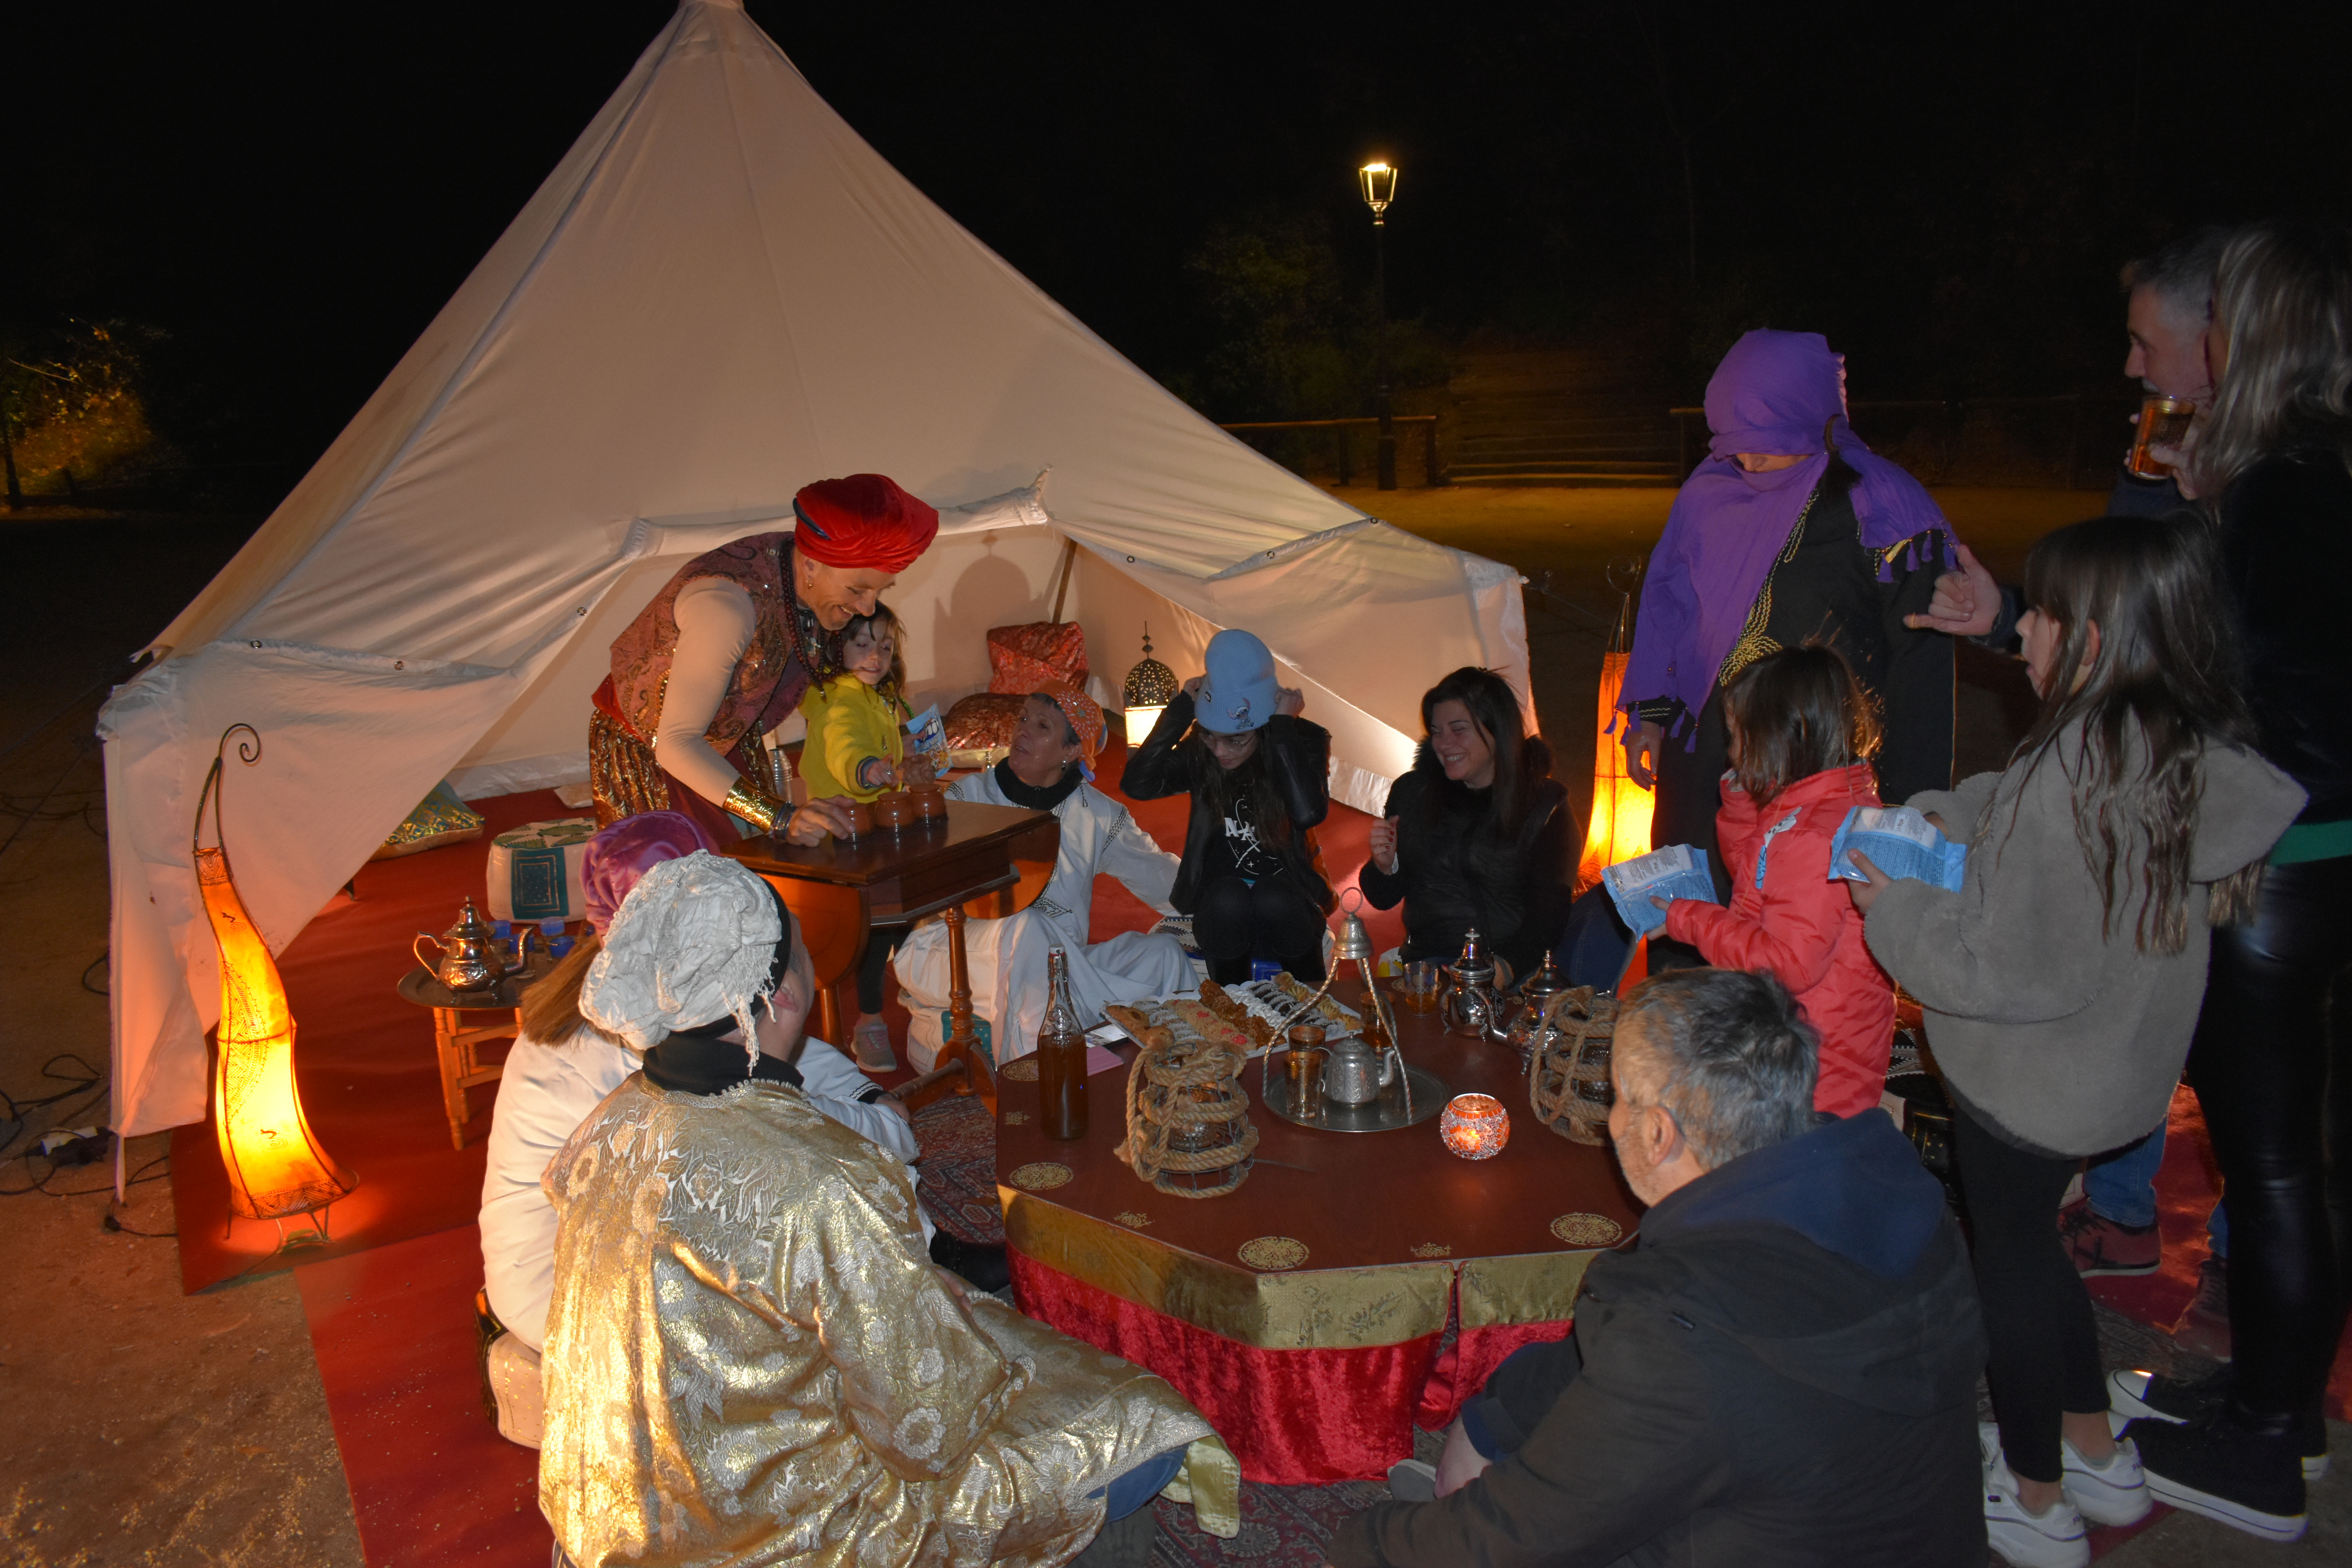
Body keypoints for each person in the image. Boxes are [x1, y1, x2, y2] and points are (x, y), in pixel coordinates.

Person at [542, 852, 1224, 1568]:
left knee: (974, 1315)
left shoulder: (611, 1126)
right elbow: (927, 1430)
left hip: (614, 1514)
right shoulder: (823, 1177)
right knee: (1139, 1427)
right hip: (785, 1536)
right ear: (785, 996)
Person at [1852, 513, 2303, 1562]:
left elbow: (2003, 968)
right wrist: (1935, 820)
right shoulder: (2153, 739)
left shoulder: (2081, 765)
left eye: (2043, 614)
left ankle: (2037, 1498)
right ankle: (2096, 1451)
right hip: (2109, 1069)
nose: (2026, 632)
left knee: (2005, 1271)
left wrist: (1893, 903)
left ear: (2092, 636)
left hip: (2033, 1081)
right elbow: (2011, 809)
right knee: (2035, 1253)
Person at [1330, 967, 1987, 1568]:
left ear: (1658, 1134)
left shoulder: (1683, 1335)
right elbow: (1609, 1360)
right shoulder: (1905, 1203)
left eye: (1618, 1097)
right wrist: (1494, 1418)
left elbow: (1519, 1539)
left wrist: (1365, 1545)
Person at [2104, 220, 2352, 1541]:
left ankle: (2271, 1442)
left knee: (2273, 1167)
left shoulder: (2293, 488)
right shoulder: (2281, 479)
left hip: (2283, 868)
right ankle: (2271, 1401)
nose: (2137, 362)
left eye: (2155, 336)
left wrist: (2202, 793)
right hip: (2295, 860)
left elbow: (2303, 721)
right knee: (2279, 1162)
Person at [475, 813, 971, 1448]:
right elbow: (778, 1114)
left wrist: (865, 1094)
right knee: (828, 1193)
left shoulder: (626, 986)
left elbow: (788, 1056)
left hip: (603, 1247)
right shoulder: (642, 1034)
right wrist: (878, 1121)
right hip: (571, 1287)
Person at [1620, 330, 1961, 965]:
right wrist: (1651, 715)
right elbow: (1669, 605)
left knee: (1795, 950)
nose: (1745, 462)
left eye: (1762, 447)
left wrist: (1911, 815)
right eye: (1732, 445)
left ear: (1812, 419)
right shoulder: (1710, 492)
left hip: (1814, 775)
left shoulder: (1882, 511)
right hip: (1706, 762)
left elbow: (1921, 670)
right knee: (1693, 931)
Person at [589, 472, 939, 846]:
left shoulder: (807, 580)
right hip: (656, 754)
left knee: (759, 868)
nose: (867, 608)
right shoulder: (726, 608)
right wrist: (780, 816)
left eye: (881, 591)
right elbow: (675, 742)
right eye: (857, 589)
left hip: (731, 741)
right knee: (699, 886)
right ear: (810, 566)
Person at [1651, 644, 1894, 1118]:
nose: (1733, 752)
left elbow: (1788, 965)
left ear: (1781, 739)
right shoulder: (1823, 804)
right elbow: (1760, 882)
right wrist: (1743, 806)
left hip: (1810, 1072)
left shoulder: (1811, 834)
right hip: (1814, 1047)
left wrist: (1691, 920)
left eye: (1739, 738)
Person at [895, 685, 1193, 1069]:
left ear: (1071, 751)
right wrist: (918, 795)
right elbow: (912, 870)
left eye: (1041, 726)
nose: (1022, 731)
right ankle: (1042, 1084)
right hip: (950, 953)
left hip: (1059, 969)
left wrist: (1225, 893)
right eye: (1022, 719)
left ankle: (1183, 1071)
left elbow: (1168, 883)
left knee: (1164, 955)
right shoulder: (966, 796)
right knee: (1029, 929)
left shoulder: (1098, 814)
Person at [1120, 628, 1334, 984]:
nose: (1220, 751)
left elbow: (1307, 812)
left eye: (1235, 740)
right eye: (1210, 736)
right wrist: (1181, 712)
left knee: (1273, 896)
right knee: (1227, 897)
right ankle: (1232, 1003)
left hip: (1288, 903)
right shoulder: (1206, 750)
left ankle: (1310, 1002)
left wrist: (1282, 729)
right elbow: (1138, 784)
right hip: (1222, 911)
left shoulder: (1302, 739)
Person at [1359, 666, 1571, 978]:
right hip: (1427, 966)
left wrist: (1502, 971)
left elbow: (1548, 917)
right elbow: (1382, 897)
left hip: (1512, 969)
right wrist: (1384, 866)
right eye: (1437, 732)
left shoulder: (1544, 805)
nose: (1444, 744)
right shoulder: (1413, 792)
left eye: (1459, 730)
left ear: (1497, 730)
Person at [799, 601, 918, 1069]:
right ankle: (869, 1022)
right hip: (846, 832)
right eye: (862, 644)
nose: (875, 656)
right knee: (875, 929)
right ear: (836, 647)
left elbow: (879, 742)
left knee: (903, 916)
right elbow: (846, 746)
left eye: (884, 646)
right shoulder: (839, 698)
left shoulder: (876, 695)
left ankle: (912, 987)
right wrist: (867, 770)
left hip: (877, 826)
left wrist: (901, 760)